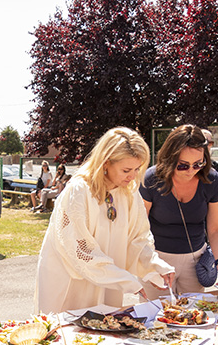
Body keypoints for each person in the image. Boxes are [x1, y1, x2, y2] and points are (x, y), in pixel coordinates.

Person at [35, 127, 173, 314]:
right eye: (126, 170)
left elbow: (137, 239)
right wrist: (123, 279)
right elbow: (79, 250)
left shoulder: (129, 191)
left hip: (108, 282)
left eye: (137, 169)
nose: (132, 176)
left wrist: (155, 265)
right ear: (106, 163)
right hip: (71, 283)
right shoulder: (79, 190)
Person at [140, 124, 218, 298]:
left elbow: (215, 229)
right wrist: (151, 262)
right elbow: (140, 229)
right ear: (170, 159)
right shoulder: (151, 179)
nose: (191, 171)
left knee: (194, 316)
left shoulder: (212, 181)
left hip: (195, 260)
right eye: (183, 165)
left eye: (198, 164)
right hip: (157, 260)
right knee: (157, 318)